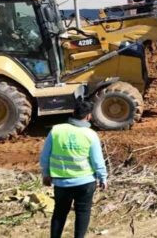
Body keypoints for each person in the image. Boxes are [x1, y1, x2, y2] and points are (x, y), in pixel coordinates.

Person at [40, 99, 107, 238]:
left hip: (61, 183)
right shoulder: (91, 135)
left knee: (59, 212)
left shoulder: (56, 130)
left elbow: (44, 157)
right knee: (83, 212)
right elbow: (97, 161)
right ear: (89, 116)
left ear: (73, 112)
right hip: (85, 183)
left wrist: (46, 174)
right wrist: (102, 178)